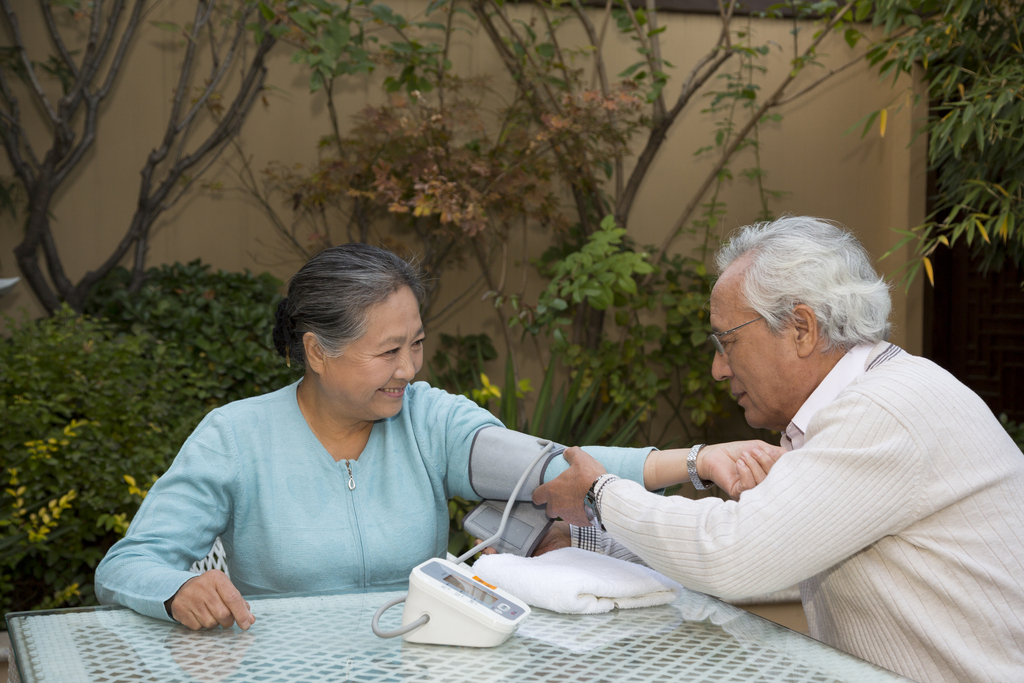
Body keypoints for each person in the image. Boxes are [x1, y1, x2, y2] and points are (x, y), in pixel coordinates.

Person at [95, 243, 777, 632]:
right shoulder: (235, 436)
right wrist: (176, 590)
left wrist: (693, 461)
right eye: (389, 351)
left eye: (417, 344)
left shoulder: (426, 418)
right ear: (317, 352)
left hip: (422, 661)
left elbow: (548, 465)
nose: (411, 368)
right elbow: (130, 563)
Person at [533, 216, 1024, 683]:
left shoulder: (884, 411)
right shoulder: (865, 405)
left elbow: (734, 556)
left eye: (726, 342)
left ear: (802, 329)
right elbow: (781, 563)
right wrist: (594, 544)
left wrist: (602, 493)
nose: (718, 370)